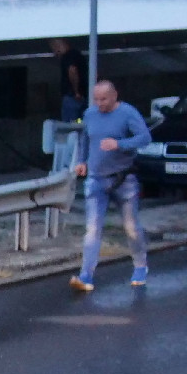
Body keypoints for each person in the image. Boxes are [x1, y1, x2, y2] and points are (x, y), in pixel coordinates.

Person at [71, 78, 153, 293]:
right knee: (92, 229)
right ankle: (86, 275)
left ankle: (140, 266)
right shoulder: (90, 114)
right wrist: (82, 161)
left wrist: (120, 144)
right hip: (96, 179)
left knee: (130, 226)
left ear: (115, 95)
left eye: (104, 99)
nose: (100, 104)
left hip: (123, 179)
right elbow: (85, 140)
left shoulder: (127, 113)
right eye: (97, 99)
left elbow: (145, 138)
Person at [52, 38, 87, 123]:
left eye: (54, 48)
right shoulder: (78, 55)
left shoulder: (68, 56)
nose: (55, 52)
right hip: (82, 96)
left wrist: (76, 91)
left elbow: (72, 70)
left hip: (72, 97)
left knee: (70, 124)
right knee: (79, 121)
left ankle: (73, 135)